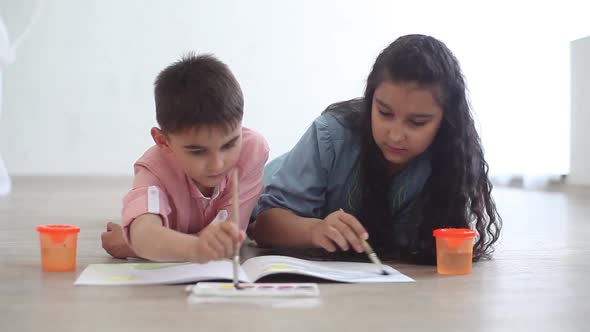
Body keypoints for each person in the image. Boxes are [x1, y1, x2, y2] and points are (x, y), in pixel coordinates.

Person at [252, 34, 502, 263]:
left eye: (417, 123)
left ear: (445, 121)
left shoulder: (452, 157)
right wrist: (315, 230)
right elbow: (264, 225)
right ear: (370, 100)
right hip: (253, 193)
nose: (395, 135)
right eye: (384, 113)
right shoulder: (331, 135)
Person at [101, 53, 269, 263]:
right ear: (163, 141)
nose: (217, 164)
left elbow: (227, 242)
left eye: (230, 144)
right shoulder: (154, 170)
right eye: (197, 151)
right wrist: (196, 247)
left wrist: (131, 245)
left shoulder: (252, 150)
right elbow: (144, 235)